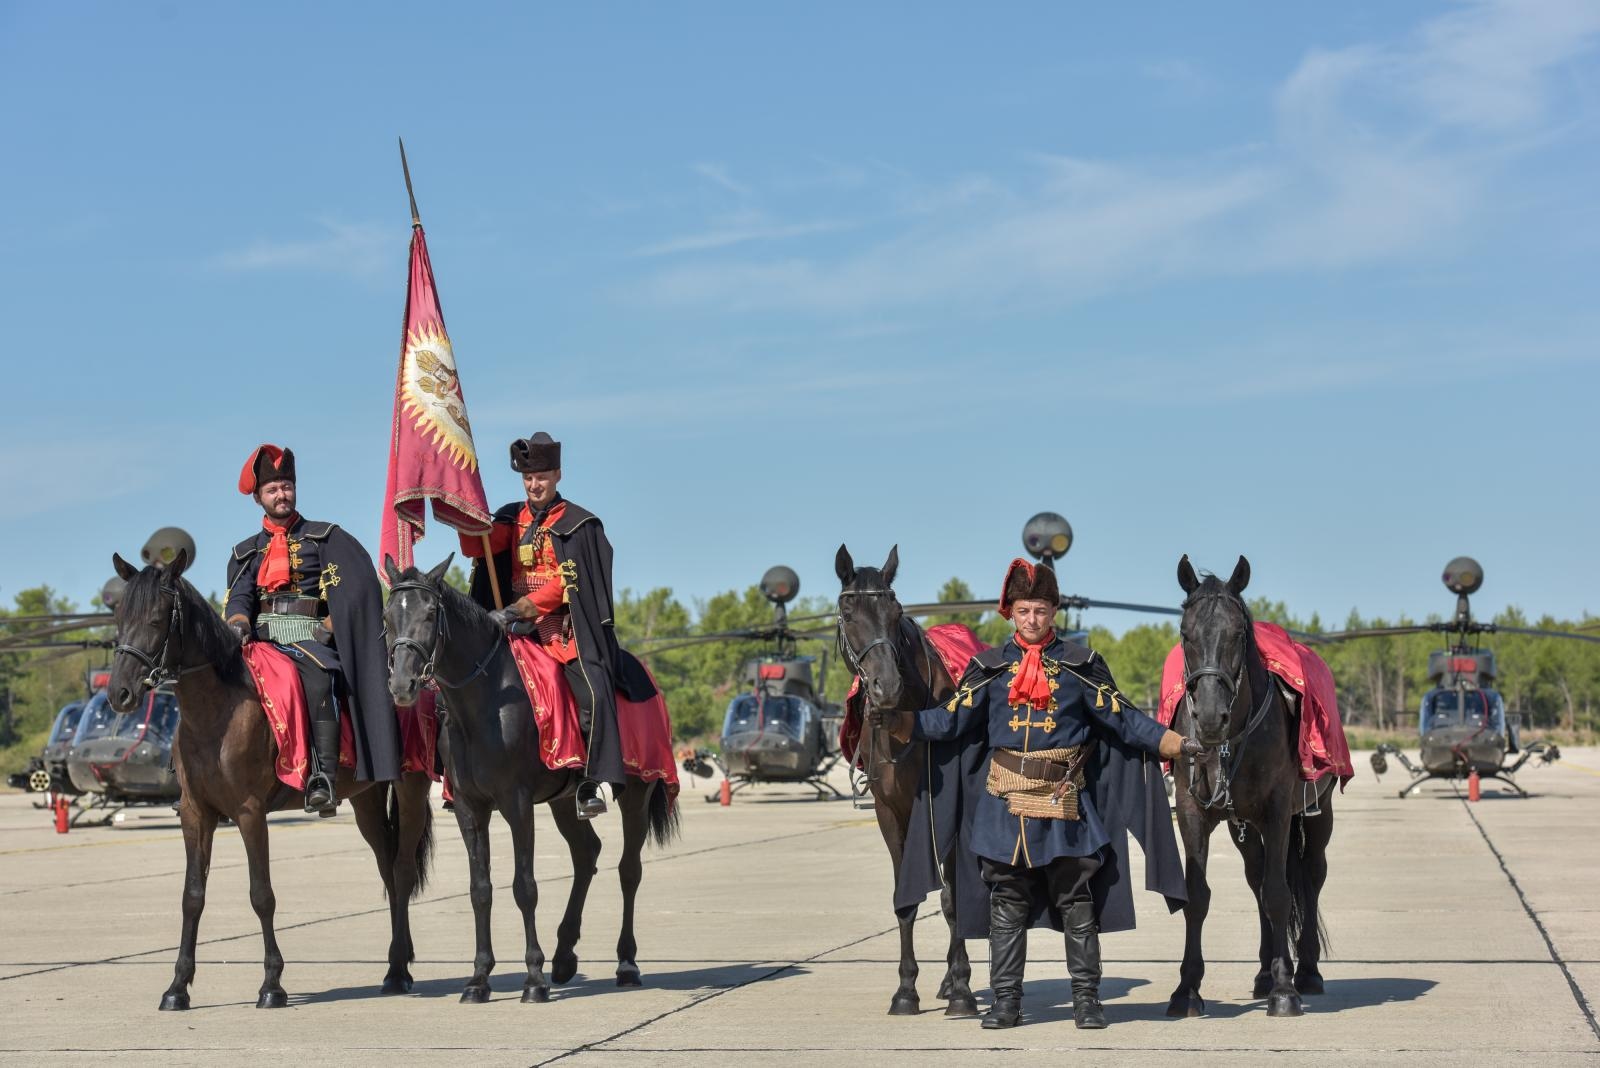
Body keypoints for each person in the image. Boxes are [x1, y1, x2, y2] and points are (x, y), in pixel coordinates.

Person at [873, 558, 1201, 1030]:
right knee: (1006, 907)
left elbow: (1123, 718)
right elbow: (950, 721)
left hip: (1066, 805)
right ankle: (1006, 1003)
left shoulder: (1082, 668)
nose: (1033, 619)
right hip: (1002, 809)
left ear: (1053, 612)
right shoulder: (987, 669)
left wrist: (1173, 742)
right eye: (1025, 610)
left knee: (1076, 903)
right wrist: (902, 722)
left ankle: (1087, 1002)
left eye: (1041, 610)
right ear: (1012, 612)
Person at [461, 432, 652, 820]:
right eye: (529, 479)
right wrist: (458, 506)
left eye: (543, 477)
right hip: (511, 628)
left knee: (591, 690)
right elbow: (474, 545)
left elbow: (568, 583)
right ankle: (460, 777)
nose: (535, 485)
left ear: (558, 475)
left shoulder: (580, 525)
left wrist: (521, 609)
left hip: (560, 628)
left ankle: (586, 780)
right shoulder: (510, 517)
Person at [224, 444, 401, 813]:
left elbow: (356, 589)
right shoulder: (245, 552)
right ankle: (199, 778)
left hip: (310, 635)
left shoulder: (325, 538)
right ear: (259, 498)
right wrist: (238, 624)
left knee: (322, 676)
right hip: (260, 638)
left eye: (286, 486)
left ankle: (323, 775)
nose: (281, 494)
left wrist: (328, 627)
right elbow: (239, 599)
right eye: (272, 490)